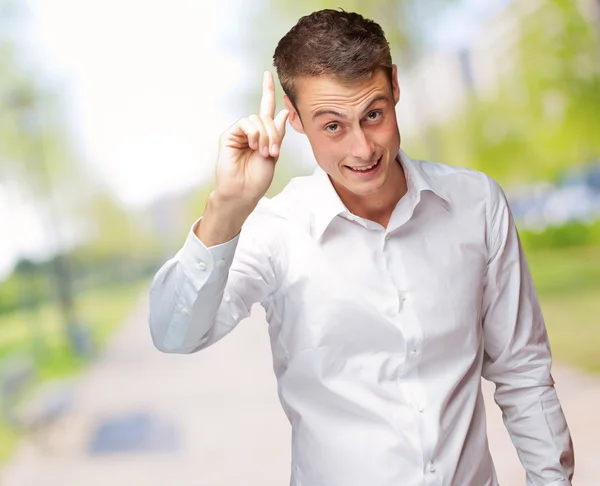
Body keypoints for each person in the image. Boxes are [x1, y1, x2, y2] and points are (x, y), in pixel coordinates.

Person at [148, 9, 574, 486]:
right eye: (332, 126)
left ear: (394, 86)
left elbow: (523, 372)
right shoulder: (277, 230)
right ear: (295, 120)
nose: (362, 149)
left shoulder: (476, 204)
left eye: (373, 115)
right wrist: (227, 207)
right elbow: (174, 333)